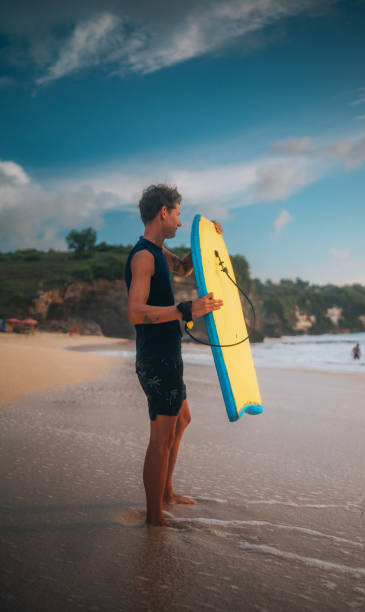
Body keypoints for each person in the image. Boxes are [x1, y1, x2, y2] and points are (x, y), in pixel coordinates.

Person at [125, 184, 223, 526]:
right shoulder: (143, 256)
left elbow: (184, 268)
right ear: (163, 212)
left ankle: (166, 493)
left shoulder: (158, 251)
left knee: (182, 420)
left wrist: (208, 241)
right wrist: (186, 308)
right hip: (156, 359)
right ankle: (154, 516)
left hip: (169, 353)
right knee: (161, 436)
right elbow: (136, 312)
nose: (180, 222)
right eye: (178, 213)